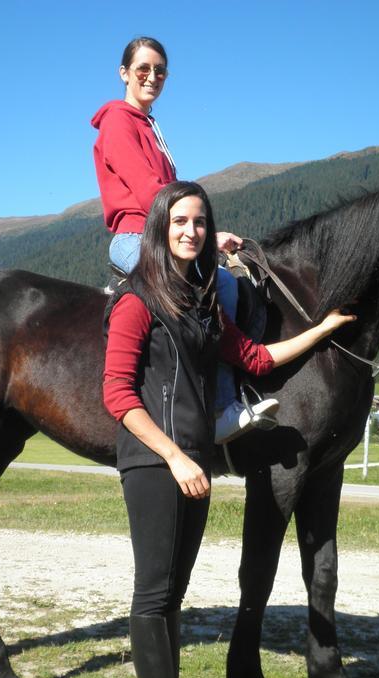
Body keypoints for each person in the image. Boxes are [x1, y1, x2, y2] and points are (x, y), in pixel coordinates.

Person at [103, 181, 355, 678]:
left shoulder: (201, 305)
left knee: (173, 593)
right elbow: (117, 394)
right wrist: (173, 455)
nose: (191, 231)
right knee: (153, 592)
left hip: (193, 459)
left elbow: (255, 358)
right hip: (156, 460)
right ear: (160, 228)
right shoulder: (136, 301)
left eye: (200, 222)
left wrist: (319, 331)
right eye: (180, 221)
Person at [92, 36, 277, 445]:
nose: (152, 77)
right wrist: (207, 240)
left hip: (162, 233)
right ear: (124, 73)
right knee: (219, 287)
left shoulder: (148, 126)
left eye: (160, 71)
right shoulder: (119, 121)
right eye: (143, 69)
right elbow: (150, 193)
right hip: (138, 236)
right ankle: (219, 409)